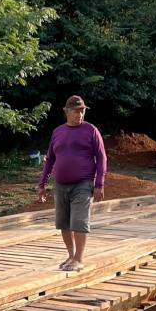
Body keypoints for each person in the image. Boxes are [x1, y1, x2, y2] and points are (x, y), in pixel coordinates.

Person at [37, 95, 106, 271]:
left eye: (82, 111)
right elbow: (50, 159)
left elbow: (101, 157)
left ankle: (79, 258)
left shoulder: (91, 130)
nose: (80, 114)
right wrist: (42, 184)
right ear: (66, 111)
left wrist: (99, 184)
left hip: (83, 183)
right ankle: (70, 256)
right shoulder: (58, 132)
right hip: (60, 185)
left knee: (79, 220)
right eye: (76, 111)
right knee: (63, 222)